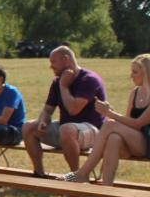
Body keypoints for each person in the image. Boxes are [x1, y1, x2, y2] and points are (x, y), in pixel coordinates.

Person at [63, 54, 150, 188]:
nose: (131, 75)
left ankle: (82, 173)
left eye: (135, 72)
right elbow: (128, 122)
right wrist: (111, 113)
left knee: (110, 124)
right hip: (138, 141)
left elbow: (139, 124)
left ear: (147, 74)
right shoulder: (135, 92)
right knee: (114, 139)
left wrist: (110, 114)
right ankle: (106, 191)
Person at [21, 46, 106, 175]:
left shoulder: (88, 79)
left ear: (66, 59)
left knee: (66, 129)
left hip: (93, 132)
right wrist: (43, 121)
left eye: (53, 62)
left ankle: (75, 177)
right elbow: (47, 110)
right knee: (28, 127)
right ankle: (39, 174)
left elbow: (73, 109)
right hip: (67, 131)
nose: (51, 66)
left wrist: (63, 86)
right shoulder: (57, 81)